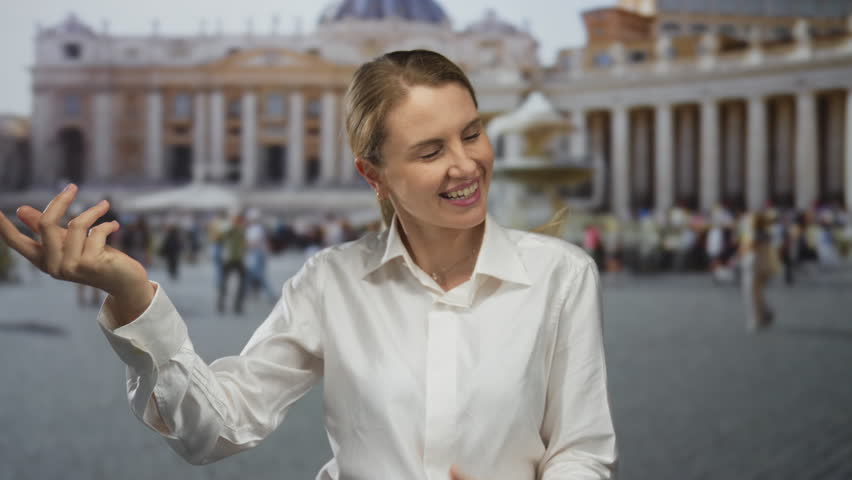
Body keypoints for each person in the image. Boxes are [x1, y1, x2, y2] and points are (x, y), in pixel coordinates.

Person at [0, 50, 617, 479]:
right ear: (371, 174)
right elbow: (216, 429)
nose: (466, 165)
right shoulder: (331, 281)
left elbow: (582, 450)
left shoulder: (562, 275)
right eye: (430, 150)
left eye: (473, 134)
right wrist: (134, 295)